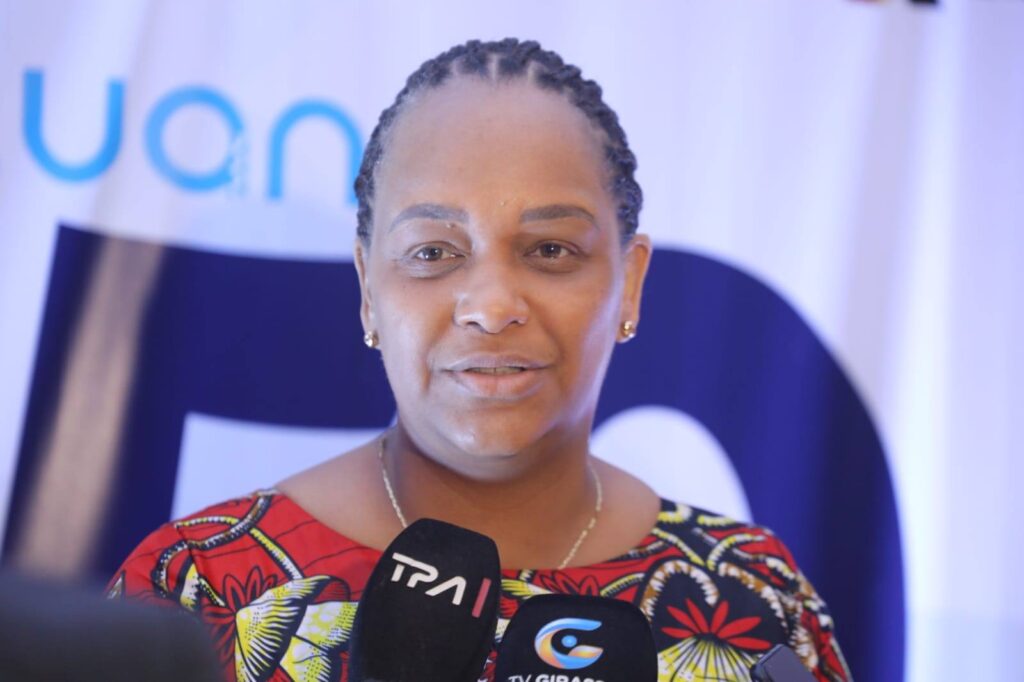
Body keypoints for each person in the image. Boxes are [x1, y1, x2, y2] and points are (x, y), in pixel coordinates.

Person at [109, 38, 852, 682]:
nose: (491, 306)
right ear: (368, 289)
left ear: (630, 284)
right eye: (433, 252)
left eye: (550, 249)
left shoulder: (756, 600)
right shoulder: (198, 591)